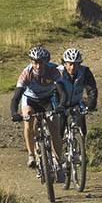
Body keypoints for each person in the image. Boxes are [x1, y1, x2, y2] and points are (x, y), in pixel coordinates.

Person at [10, 44, 65, 175]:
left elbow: (62, 91)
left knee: (54, 128)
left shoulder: (54, 70)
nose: (38, 66)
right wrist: (14, 113)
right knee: (28, 120)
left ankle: (58, 161)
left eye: (41, 62)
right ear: (31, 61)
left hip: (48, 99)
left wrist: (60, 105)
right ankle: (31, 154)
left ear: (46, 62)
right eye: (35, 62)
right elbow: (16, 97)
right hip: (30, 99)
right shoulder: (26, 73)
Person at [56, 48, 98, 137]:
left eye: (76, 64)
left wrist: (91, 104)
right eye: (70, 64)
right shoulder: (58, 72)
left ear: (79, 64)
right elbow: (53, 90)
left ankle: (82, 145)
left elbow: (91, 89)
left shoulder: (85, 72)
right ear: (64, 63)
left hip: (77, 103)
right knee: (59, 130)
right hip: (60, 103)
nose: (73, 67)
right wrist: (57, 106)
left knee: (83, 129)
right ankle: (57, 147)